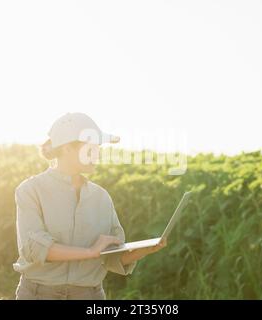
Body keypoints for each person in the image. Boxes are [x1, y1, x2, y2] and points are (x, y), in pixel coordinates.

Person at [13, 112, 167, 300]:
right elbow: (34, 249)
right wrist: (90, 252)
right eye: (91, 148)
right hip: (38, 294)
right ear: (68, 148)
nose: (98, 154)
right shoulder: (31, 190)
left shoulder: (101, 197)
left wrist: (143, 250)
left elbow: (111, 257)